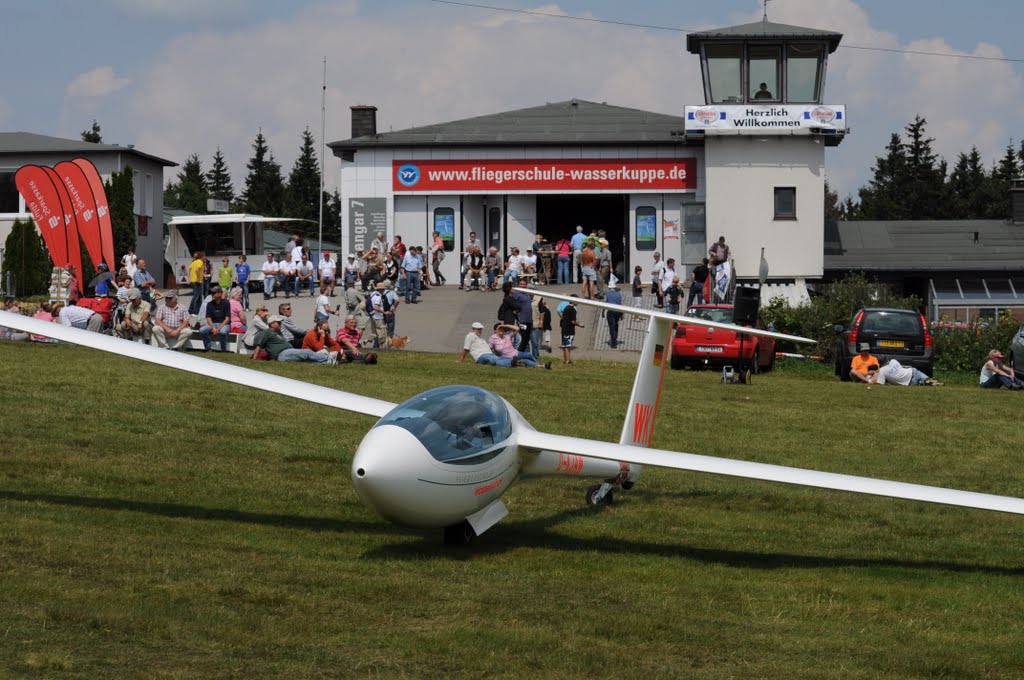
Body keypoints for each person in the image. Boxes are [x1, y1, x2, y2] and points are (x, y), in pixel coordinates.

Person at [253, 315, 334, 364]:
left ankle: (327, 362)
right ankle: (328, 358)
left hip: (287, 352)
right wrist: (254, 358)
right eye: (278, 322)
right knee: (306, 352)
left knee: (308, 360)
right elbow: (259, 345)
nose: (281, 324)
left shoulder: (278, 332)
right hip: (281, 354)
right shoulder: (266, 333)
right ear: (271, 324)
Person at [200, 285, 231, 352]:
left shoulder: (226, 303)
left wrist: (218, 329)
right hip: (213, 324)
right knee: (202, 330)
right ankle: (208, 348)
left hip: (224, 325)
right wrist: (214, 328)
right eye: (211, 293)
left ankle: (223, 350)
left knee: (222, 332)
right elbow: (208, 318)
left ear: (220, 293)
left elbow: (227, 319)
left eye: (214, 293)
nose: (212, 294)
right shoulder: (209, 304)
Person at [560, 297, 582, 365]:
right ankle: (567, 361)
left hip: (564, 329)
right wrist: (579, 325)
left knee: (564, 345)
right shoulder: (573, 310)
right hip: (569, 330)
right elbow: (573, 321)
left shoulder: (566, 308)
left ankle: (565, 359)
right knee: (568, 346)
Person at [604, 280, 623, 348]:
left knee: (611, 326)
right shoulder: (619, 294)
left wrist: (603, 312)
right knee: (616, 325)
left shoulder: (607, 294)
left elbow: (605, 303)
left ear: (609, 287)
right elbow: (620, 304)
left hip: (610, 311)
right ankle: (615, 336)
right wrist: (622, 314)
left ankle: (613, 342)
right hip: (617, 311)